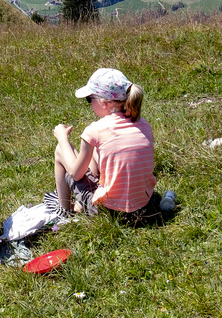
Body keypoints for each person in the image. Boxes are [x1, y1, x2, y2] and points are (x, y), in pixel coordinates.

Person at [50, 68, 175, 224]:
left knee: (60, 151)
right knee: (98, 150)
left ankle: (65, 212)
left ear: (103, 102)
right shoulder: (144, 125)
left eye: (90, 99)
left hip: (109, 213)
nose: (90, 104)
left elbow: (75, 174)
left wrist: (62, 138)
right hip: (145, 207)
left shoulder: (95, 130)